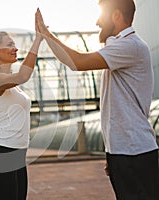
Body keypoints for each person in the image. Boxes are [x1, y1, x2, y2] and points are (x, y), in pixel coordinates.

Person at [35, 0, 159, 199]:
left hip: (134, 152)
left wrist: (47, 35)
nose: (96, 23)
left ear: (116, 16)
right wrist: (112, 151)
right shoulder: (121, 46)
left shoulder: (130, 46)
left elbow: (77, 62)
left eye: (101, 16)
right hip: (125, 151)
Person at [0, 21, 43, 200]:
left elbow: (19, 77)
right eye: (9, 44)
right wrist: (38, 40)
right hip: (2, 156)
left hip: (17, 156)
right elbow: (23, 76)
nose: (15, 48)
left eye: (14, 44)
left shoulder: (12, 84)